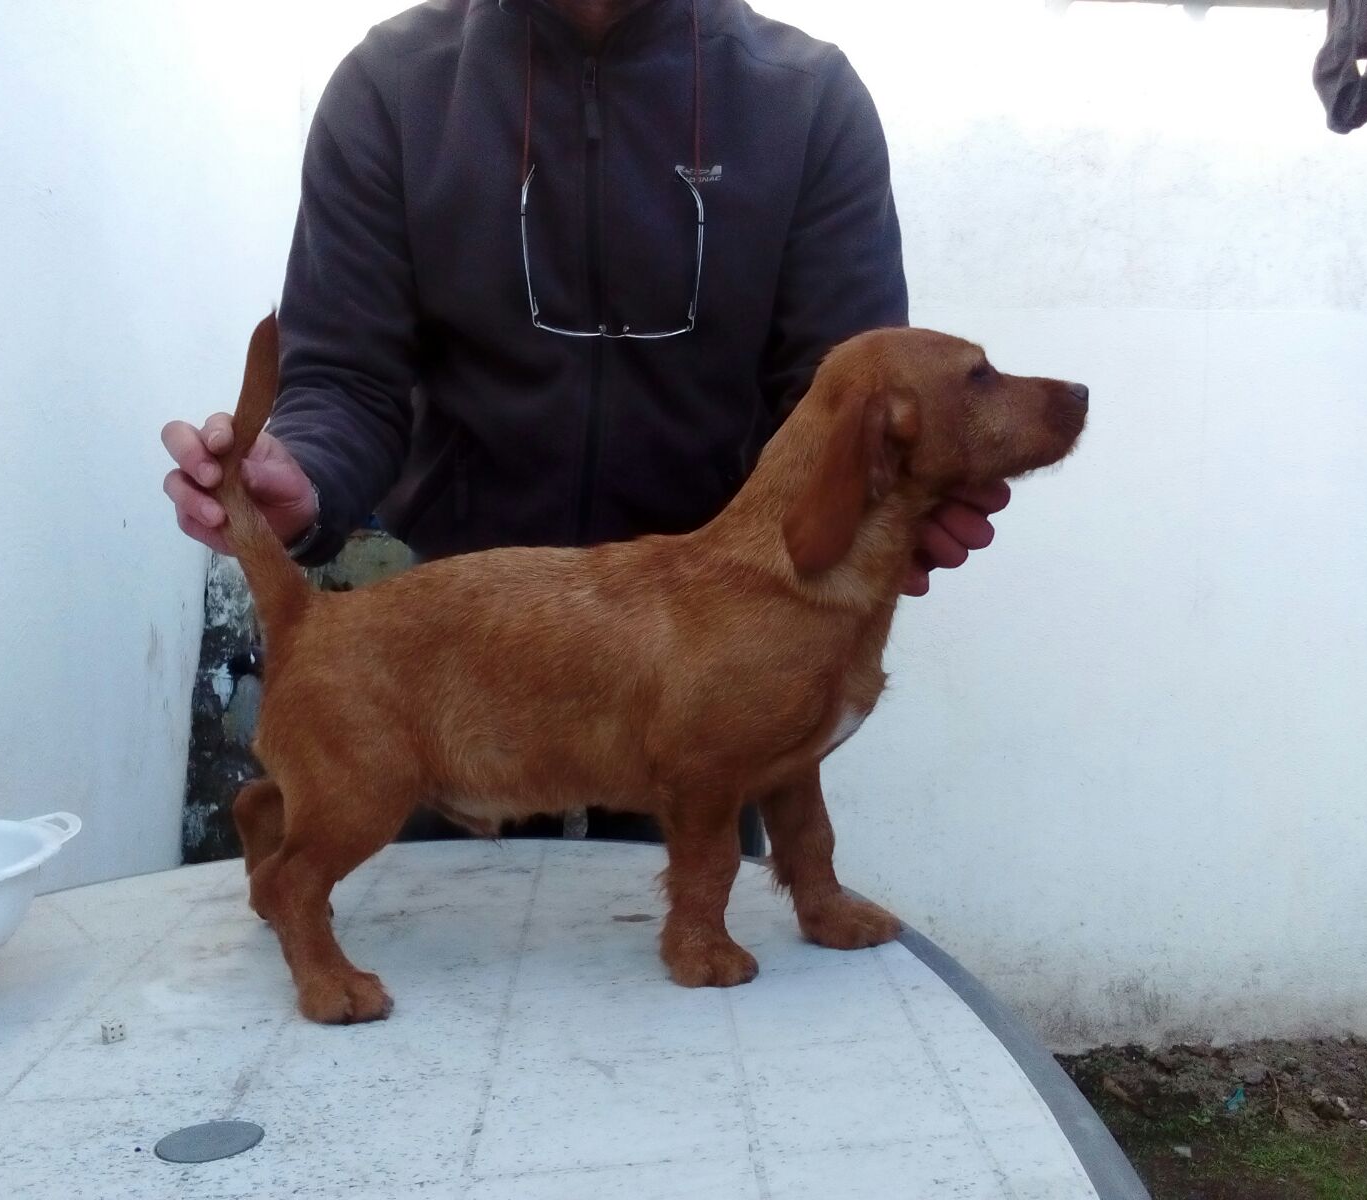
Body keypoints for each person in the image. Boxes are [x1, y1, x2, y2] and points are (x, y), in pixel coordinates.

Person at [162, 0, 1008, 841]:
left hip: (707, 653)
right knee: (423, 942)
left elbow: (836, 401)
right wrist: (305, 474)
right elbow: (348, 374)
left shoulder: (809, 99)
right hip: (460, 644)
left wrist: (890, 504)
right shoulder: (391, 85)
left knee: (692, 956)